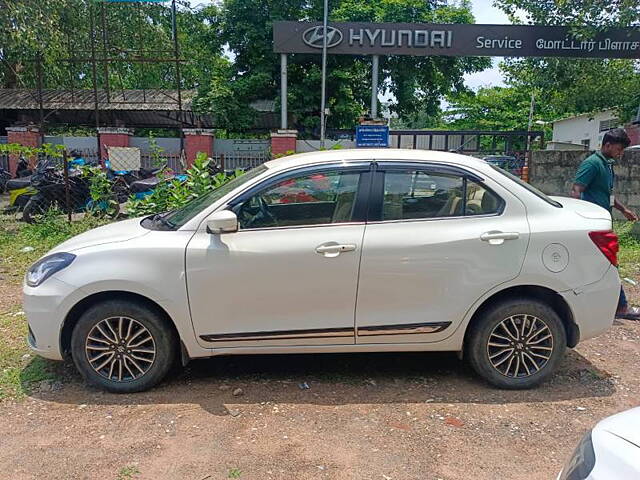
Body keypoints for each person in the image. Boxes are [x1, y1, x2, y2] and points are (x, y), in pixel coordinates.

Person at [571, 128, 640, 320]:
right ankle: (621, 306)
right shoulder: (592, 163)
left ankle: (604, 305)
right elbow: (576, 190)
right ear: (607, 145)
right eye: (619, 149)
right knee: (608, 264)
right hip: (592, 225)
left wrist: (623, 209)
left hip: (602, 222)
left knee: (597, 265)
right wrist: (578, 219)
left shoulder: (607, 164)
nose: (621, 153)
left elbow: (607, 194)